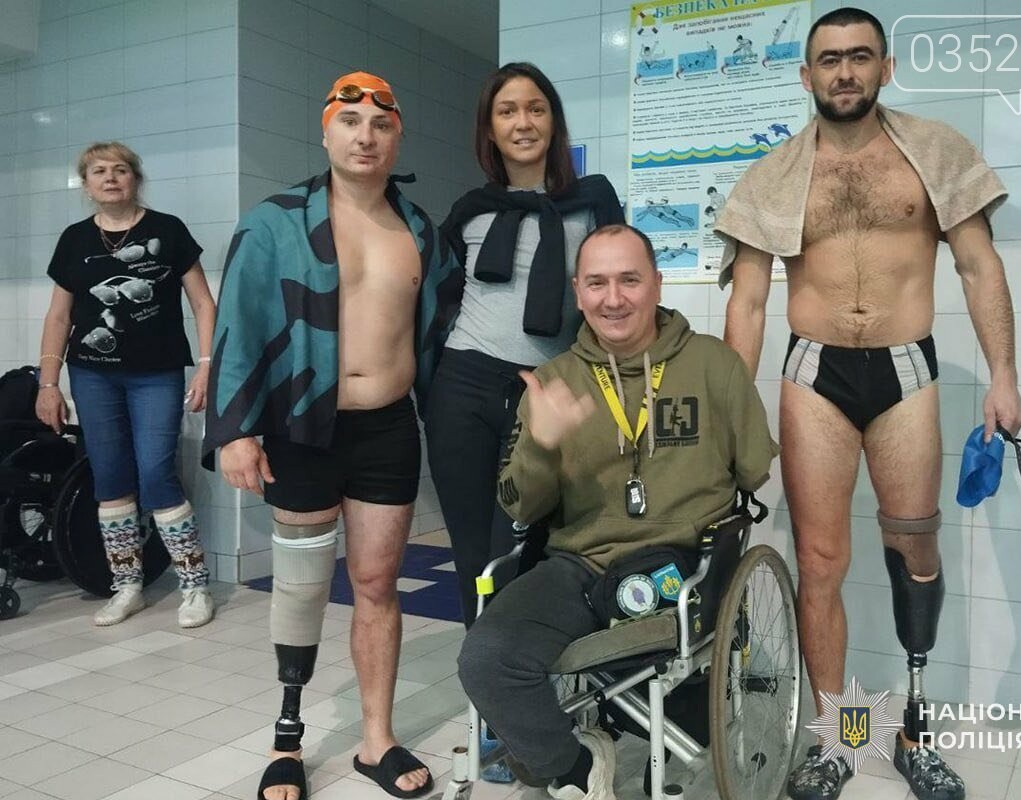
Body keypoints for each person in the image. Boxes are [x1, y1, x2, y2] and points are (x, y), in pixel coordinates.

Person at [714, 9, 1021, 800]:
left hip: (905, 370)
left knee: (915, 551)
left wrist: (1004, 377)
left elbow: (980, 268)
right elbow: (747, 303)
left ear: (885, 68)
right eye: (829, 59)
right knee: (820, 563)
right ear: (806, 75)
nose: (844, 71)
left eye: (859, 57)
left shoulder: (935, 152)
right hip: (813, 372)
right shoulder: (773, 175)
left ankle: (914, 733)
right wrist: (730, 414)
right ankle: (840, 739)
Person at [457, 223, 779, 800]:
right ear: (577, 293)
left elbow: (754, 471)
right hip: (580, 567)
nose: (613, 298)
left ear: (657, 283)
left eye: (630, 280)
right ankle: (576, 767)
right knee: (485, 657)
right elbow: (519, 505)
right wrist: (542, 445)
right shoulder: (553, 383)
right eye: (597, 283)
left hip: (686, 570)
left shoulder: (715, 365)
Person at [202, 72, 457, 800]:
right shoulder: (274, 222)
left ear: (397, 137)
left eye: (380, 124)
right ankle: (287, 738)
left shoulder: (420, 232)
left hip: (388, 429)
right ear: (325, 132)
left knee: (377, 584)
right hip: (300, 427)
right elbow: (238, 325)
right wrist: (235, 430)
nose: (364, 136)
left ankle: (376, 739)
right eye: (350, 122)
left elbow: (445, 335)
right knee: (303, 586)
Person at [431, 62, 623, 628]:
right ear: (489, 129)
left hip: (545, 394)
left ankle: (522, 663)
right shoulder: (469, 210)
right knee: (473, 554)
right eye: (507, 111)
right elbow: (437, 299)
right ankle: (482, 675)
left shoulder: (593, 200)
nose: (523, 122)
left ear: (554, 122)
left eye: (536, 109)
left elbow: (615, 292)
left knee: (527, 547)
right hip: (463, 387)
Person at [36, 141, 216, 629]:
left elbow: (203, 303)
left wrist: (207, 365)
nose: (110, 178)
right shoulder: (75, 239)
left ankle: (194, 586)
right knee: (110, 476)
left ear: (135, 178)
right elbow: (59, 316)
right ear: (87, 184)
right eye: (99, 171)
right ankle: (127, 585)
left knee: (156, 473)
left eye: (120, 169)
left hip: (156, 374)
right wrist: (48, 383)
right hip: (92, 374)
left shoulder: (167, 230)